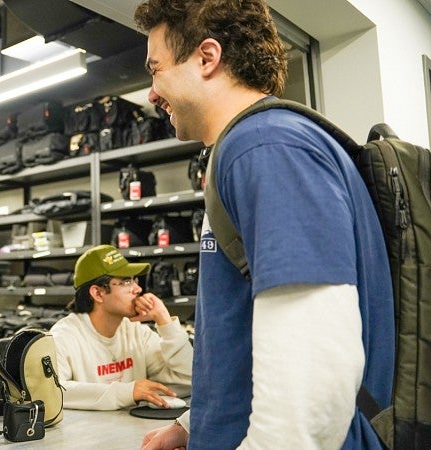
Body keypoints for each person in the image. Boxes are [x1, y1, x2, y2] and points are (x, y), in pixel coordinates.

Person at [133, 1, 395, 449]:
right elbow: (248, 335)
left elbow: (313, 371)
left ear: (207, 57)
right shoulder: (254, 146)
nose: (152, 93)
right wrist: (196, 425)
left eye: (155, 69)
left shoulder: (265, 147)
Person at [49, 244, 192, 411]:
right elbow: (53, 391)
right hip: (86, 435)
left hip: (132, 431)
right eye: (126, 282)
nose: (138, 289)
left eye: (134, 280)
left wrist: (165, 322)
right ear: (98, 293)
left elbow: (189, 380)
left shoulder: (137, 332)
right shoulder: (63, 336)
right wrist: (127, 392)